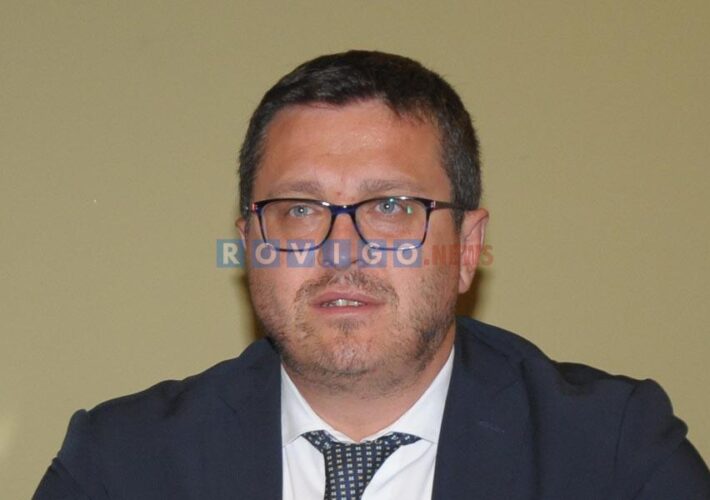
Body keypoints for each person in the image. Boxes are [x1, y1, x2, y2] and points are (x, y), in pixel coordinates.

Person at [34, 50, 709, 500]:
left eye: (390, 207)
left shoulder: (613, 454)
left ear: (467, 248)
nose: (341, 251)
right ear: (250, 247)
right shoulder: (121, 464)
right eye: (300, 210)